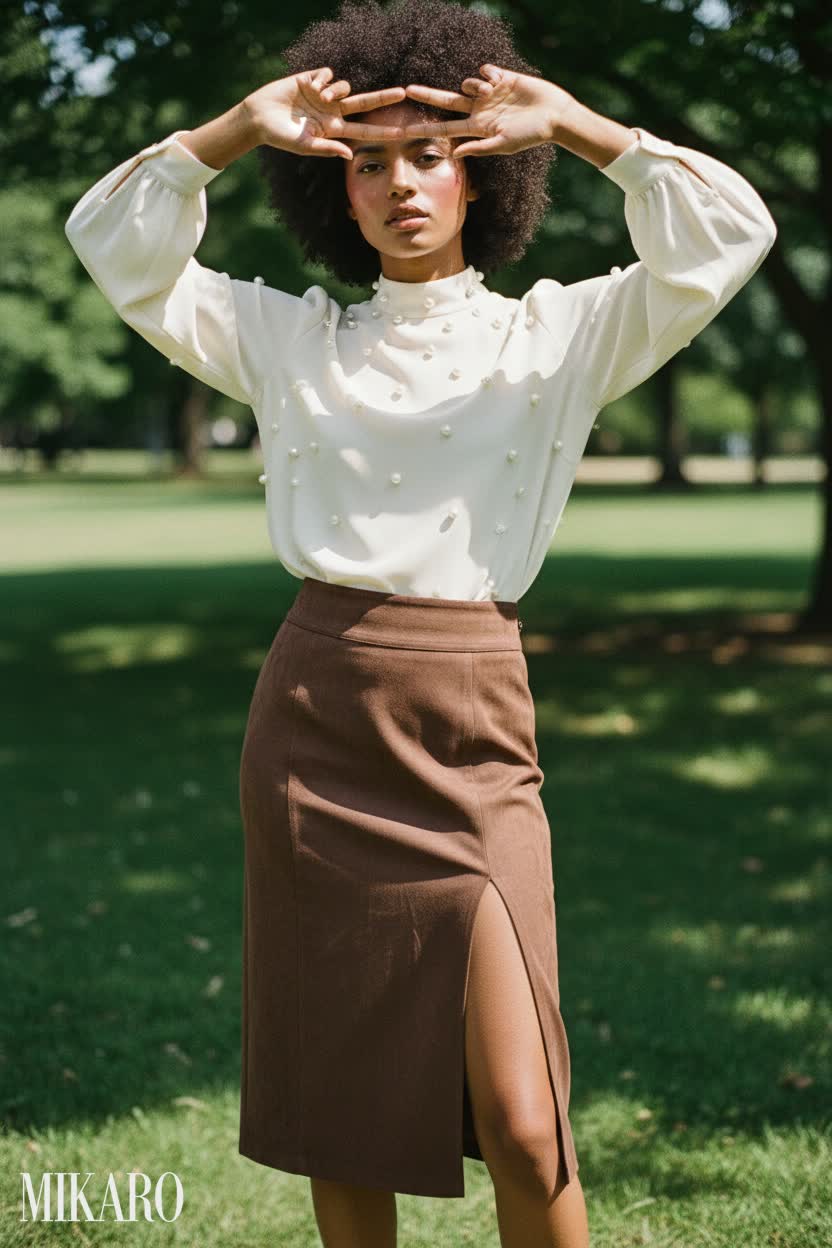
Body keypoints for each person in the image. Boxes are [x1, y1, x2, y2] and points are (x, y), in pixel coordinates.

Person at [64, 1, 777, 1244]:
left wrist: (578, 124)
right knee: (339, 1112)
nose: (399, 183)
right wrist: (236, 129)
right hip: (316, 728)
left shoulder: (559, 336)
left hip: (474, 727)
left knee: (523, 1119)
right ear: (332, 193)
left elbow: (731, 232)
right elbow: (112, 245)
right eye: (368, 163)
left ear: (479, 173)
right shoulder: (288, 340)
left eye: (430, 155)